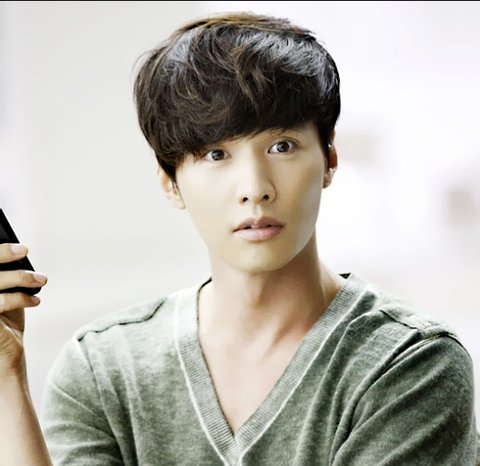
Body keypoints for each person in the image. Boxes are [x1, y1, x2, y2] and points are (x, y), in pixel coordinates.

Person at [0, 11, 478, 466]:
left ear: (329, 160)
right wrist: (6, 375)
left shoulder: (410, 362)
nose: (255, 188)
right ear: (170, 182)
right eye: (215, 155)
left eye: (282, 146)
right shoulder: (104, 368)